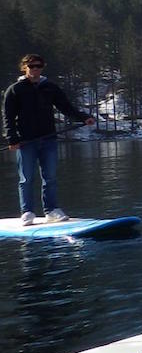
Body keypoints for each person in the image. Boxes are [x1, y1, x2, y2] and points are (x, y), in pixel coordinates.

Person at [3, 53, 95, 226]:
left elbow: (66, 107)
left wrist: (83, 117)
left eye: (38, 66)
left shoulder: (50, 87)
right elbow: (7, 117)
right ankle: (27, 212)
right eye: (32, 66)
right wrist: (12, 138)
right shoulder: (15, 89)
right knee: (26, 178)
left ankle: (51, 210)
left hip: (48, 139)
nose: (35, 69)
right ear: (25, 68)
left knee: (50, 177)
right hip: (25, 141)